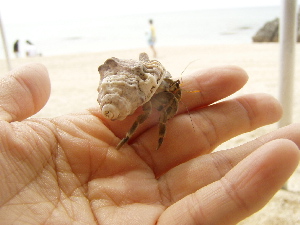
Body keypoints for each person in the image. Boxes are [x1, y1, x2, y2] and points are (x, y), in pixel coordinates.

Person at [0, 63, 299, 224]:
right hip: (132, 98)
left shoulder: (165, 88)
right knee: (151, 117)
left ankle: (133, 136)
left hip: (138, 93)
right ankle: (131, 136)